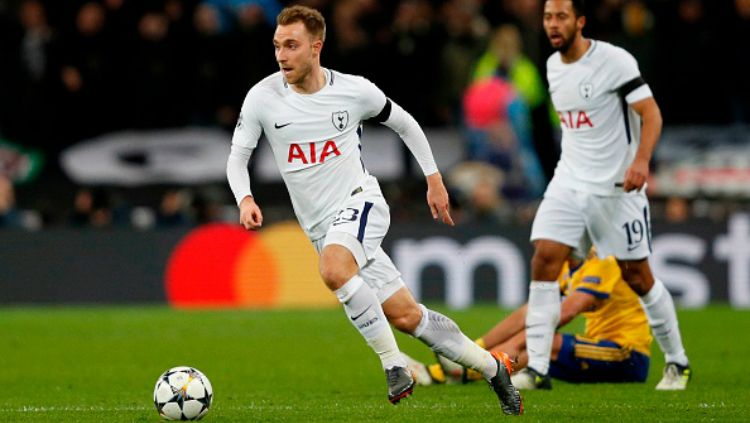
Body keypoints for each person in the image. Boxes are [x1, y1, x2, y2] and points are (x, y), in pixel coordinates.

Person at [225, 5, 522, 414]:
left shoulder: (354, 90)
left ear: (316, 47)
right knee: (406, 315)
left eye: (291, 46)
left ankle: (394, 365)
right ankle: (493, 369)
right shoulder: (263, 97)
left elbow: (405, 123)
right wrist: (244, 197)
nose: (282, 55)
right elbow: (237, 158)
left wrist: (434, 179)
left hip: (360, 202)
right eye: (277, 46)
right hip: (321, 227)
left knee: (333, 269)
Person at [518, 0, 690, 391]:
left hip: (616, 187)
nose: (553, 25)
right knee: (544, 258)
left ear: (580, 22)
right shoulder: (550, 68)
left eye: (561, 17)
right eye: (547, 17)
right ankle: (538, 368)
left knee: (638, 276)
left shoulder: (614, 61)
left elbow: (651, 114)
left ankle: (678, 362)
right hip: (569, 181)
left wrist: (641, 161)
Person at [406, 251, 653, 386]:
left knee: (548, 343)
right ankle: (452, 371)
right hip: (594, 348)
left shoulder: (604, 262)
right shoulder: (569, 267)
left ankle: (455, 372)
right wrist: (478, 346)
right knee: (532, 352)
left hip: (627, 355)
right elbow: (531, 312)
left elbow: (566, 313)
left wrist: (521, 340)